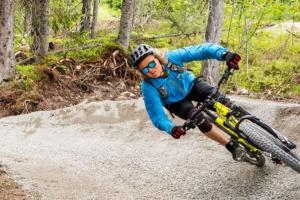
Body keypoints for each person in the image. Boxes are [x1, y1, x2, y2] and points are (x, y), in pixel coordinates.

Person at [130, 43, 246, 161]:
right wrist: (171, 128)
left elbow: (200, 50)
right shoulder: (148, 86)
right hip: (176, 103)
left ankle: (247, 121)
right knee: (198, 118)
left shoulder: (172, 57)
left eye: (152, 63)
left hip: (192, 85)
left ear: (157, 58)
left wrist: (223, 54)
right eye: (145, 69)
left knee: (221, 100)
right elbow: (157, 115)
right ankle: (231, 146)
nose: (151, 70)